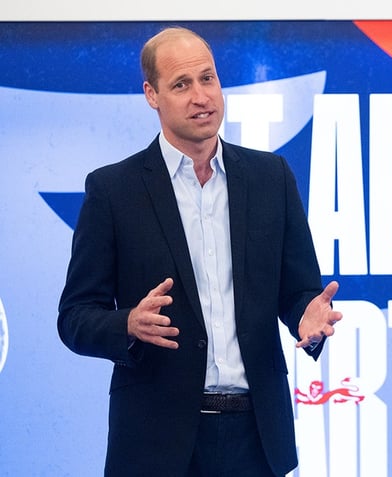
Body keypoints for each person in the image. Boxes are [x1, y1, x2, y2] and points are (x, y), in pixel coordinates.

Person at [57, 26, 342, 477]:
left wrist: (306, 315)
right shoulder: (113, 190)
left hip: (256, 437)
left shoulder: (272, 178)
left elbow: (297, 290)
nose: (200, 96)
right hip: (155, 442)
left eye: (207, 78)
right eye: (181, 84)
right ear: (152, 95)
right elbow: (74, 318)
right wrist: (127, 323)